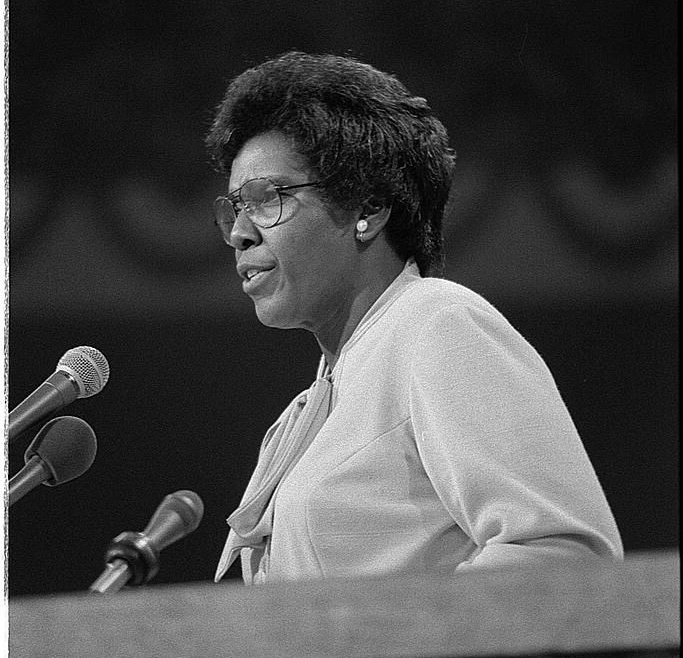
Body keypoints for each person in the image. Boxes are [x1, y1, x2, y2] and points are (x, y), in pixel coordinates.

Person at [205, 51, 623, 585]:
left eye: (266, 199)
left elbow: (563, 554)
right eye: (234, 208)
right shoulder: (307, 411)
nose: (240, 232)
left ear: (367, 210)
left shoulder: (439, 327)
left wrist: (383, 654)